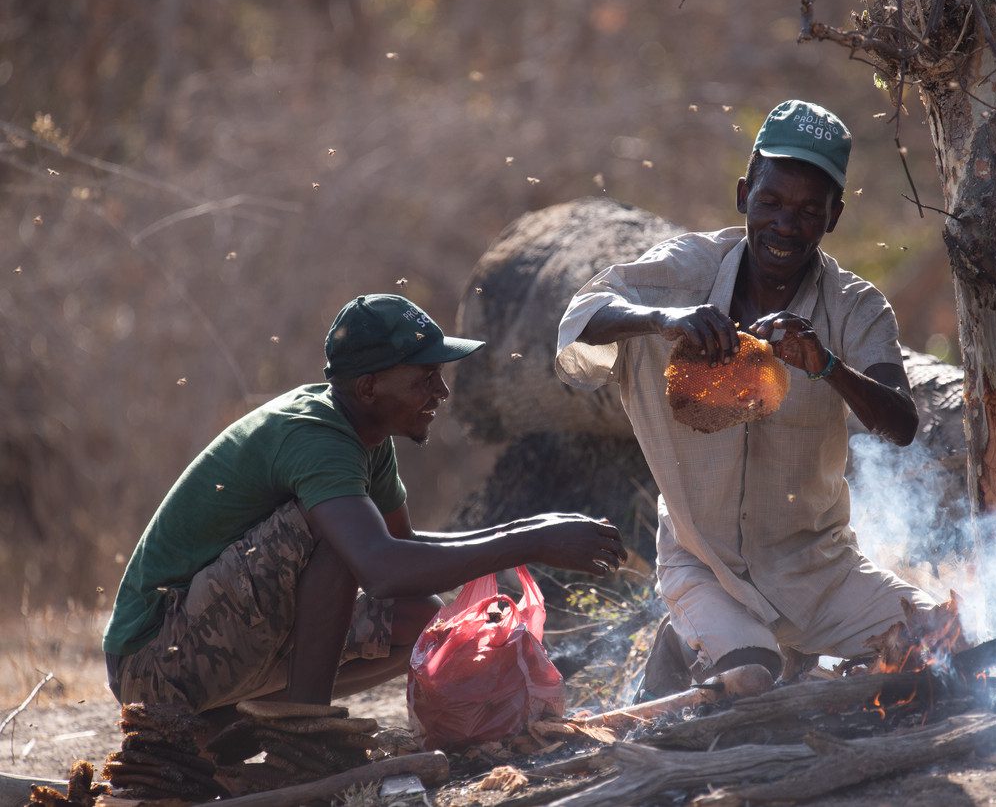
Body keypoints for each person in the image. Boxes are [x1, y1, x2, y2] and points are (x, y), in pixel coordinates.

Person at [556, 100, 935, 696]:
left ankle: (792, 655)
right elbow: (579, 321)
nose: (787, 224)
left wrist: (828, 366)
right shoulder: (685, 272)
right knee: (752, 683)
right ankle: (692, 644)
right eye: (772, 202)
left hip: (820, 572)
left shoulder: (855, 308)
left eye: (811, 210)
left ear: (835, 216)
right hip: (703, 566)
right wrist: (665, 318)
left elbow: (902, 422)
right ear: (743, 196)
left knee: (941, 641)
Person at [103, 293, 626, 714]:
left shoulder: (366, 436)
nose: (441, 393)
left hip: (209, 637)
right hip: (153, 662)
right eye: (424, 378)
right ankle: (300, 733)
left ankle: (249, 721)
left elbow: (404, 548)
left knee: (423, 618)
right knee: (337, 538)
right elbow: (382, 568)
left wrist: (536, 529)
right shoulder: (317, 436)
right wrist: (533, 541)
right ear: (369, 385)